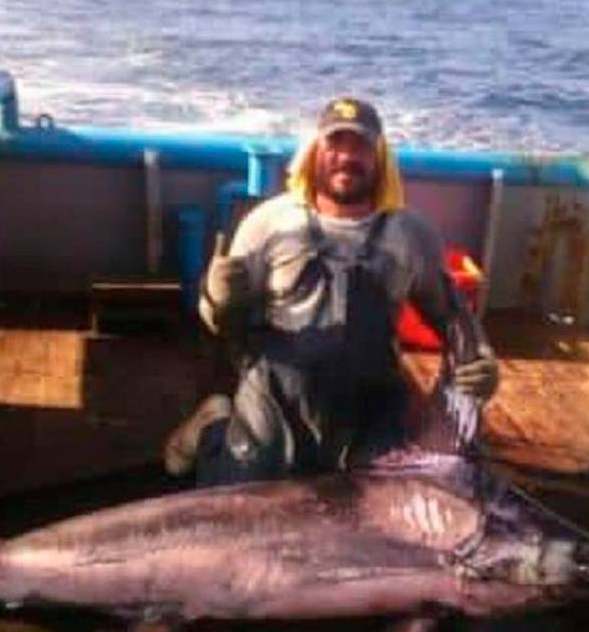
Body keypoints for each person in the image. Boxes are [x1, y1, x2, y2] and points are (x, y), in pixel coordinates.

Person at [164, 97, 499, 486]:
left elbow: (451, 317)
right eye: (335, 144)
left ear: (380, 158)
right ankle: (214, 424)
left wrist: (483, 360)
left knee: (393, 497)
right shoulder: (268, 223)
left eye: (360, 146)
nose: (346, 157)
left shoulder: (412, 234)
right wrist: (217, 296)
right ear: (314, 152)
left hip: (371, 403)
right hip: (276, 396)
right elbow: (221, 324)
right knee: (237, 493)